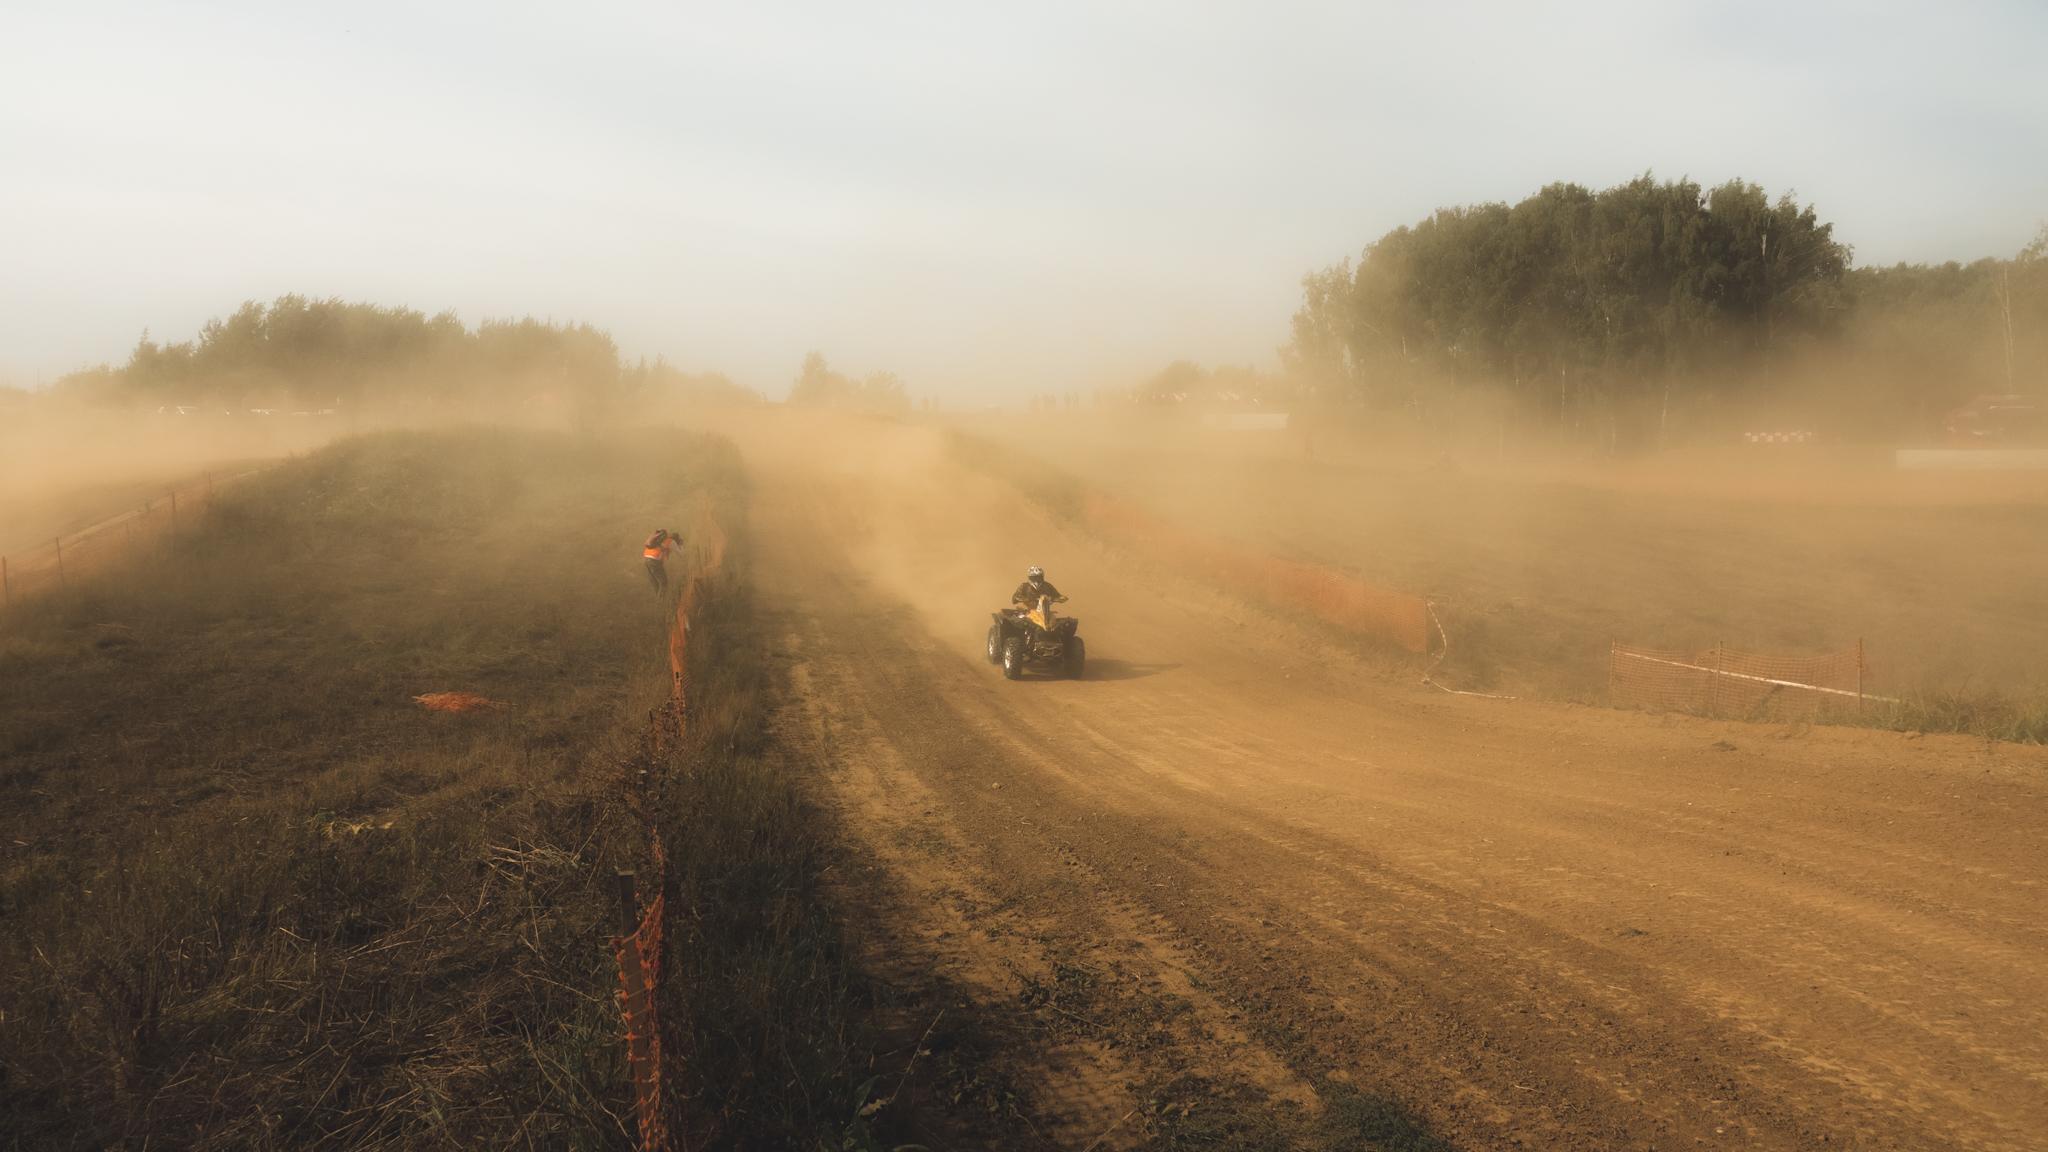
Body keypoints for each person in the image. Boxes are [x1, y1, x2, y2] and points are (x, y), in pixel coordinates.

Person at [643, 528, 681, 595]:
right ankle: (661, 602)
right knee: (663, 583)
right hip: (654, 561)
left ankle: (657, 600)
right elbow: (681, 554)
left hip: (646, 559)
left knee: (655, 583)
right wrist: (680, 545)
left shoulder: (658, 541)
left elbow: (663, 555)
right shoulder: (671, 541)